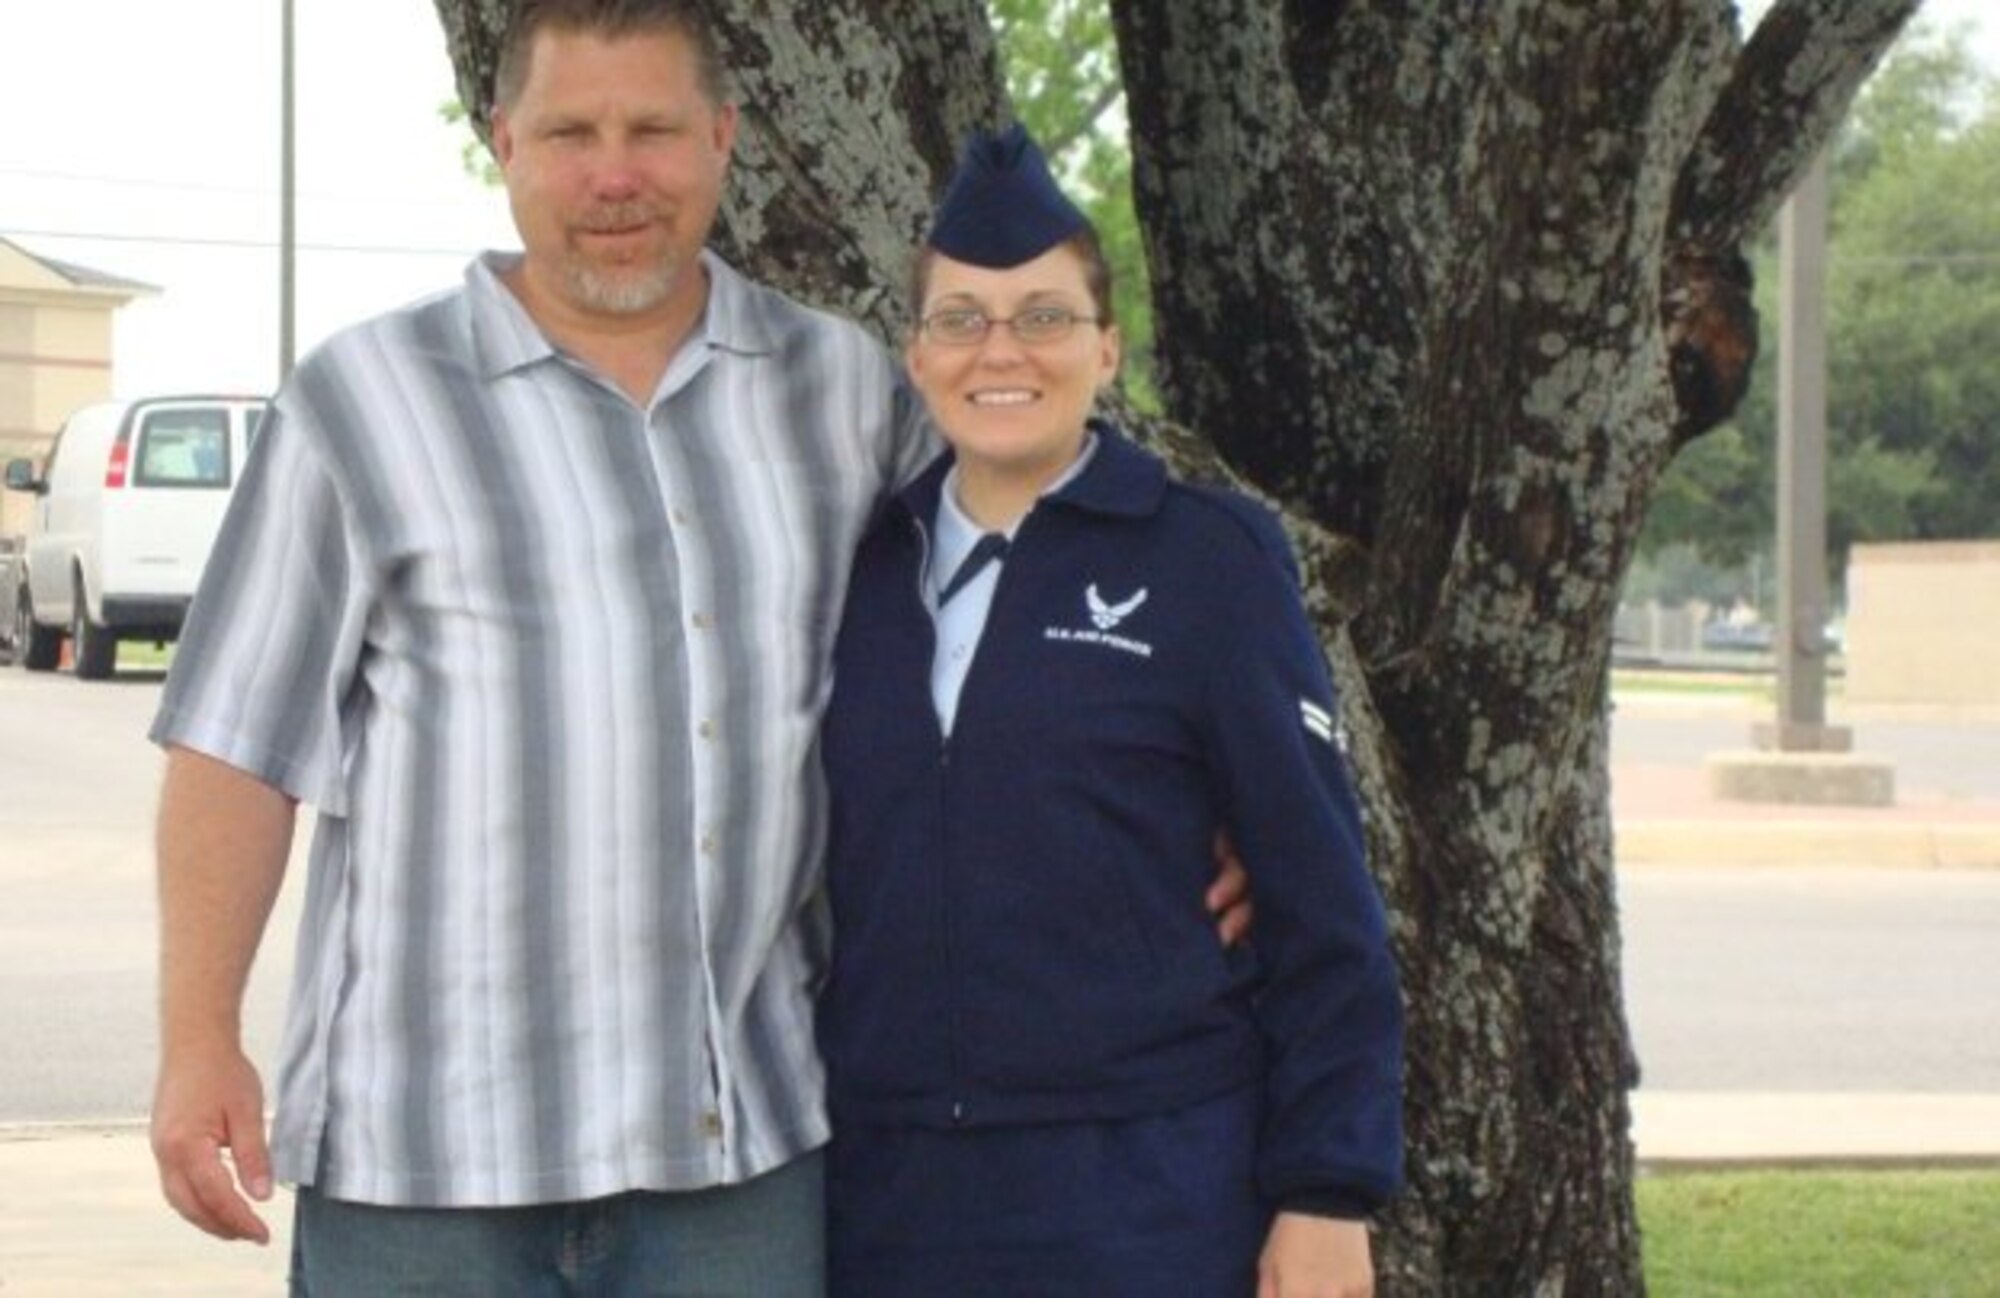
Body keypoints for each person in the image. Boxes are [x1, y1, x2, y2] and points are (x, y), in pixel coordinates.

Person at [146, 4, 1244, 1293]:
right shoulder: (359, 403)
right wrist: (198, 1036)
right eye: (571, 132)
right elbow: (235, 742)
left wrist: (1211, 792)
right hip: (424, 1168)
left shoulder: (844, 395)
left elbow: (1034, 576)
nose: (615, 173)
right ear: (503, 143)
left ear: (724, 138)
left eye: (655, 129)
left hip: (738, 1168)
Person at [816, 125, 1405, 1296]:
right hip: (888, 1199)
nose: (1002, 350)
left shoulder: (1207, 558)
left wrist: (1327, 1187)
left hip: (1144, 1190)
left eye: (1042, 316)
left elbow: (1317, 892)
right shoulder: (852, 567)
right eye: (960, 318)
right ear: (915, 354)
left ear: (1105, 347)